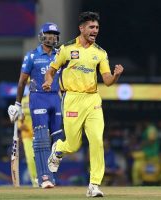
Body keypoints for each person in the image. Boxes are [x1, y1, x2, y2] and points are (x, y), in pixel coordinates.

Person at [42, 11, 124, 197]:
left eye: (97, 27)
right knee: (73, 145)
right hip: (72, 98)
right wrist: (48, 81)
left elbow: (107, 80)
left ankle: (94, 185)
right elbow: (52, 71)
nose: (95, 30)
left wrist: (116, 75)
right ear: (81, 28)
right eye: (91, 27)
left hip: (93, 99)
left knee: (96, 140)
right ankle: (58, 149)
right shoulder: (67, 49)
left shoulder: (100, 53)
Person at [8, 22, 64, 189]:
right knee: (41, 138)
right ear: (42, 36)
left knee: (59, 140)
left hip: (55, 97)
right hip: (38, 97)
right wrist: (17, 104)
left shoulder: (60, 55)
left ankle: (51, 173)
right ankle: (44, 177)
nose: (52, 37)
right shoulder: (32, 56)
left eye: (54, 34)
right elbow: (21, 81)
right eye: (49, 34)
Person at [18, 90, 38, 187]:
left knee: (42, 159)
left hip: (39, 134)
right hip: (27, 135)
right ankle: (35, 182)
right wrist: (20, 125)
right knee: (30, 159)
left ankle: (46, 179)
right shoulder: (23, 101)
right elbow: (19, 118)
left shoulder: (40, 99)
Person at [131, 121, 159, 186]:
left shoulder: (151, 128)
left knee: (135, 158)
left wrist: (140, 145)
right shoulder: (147, 129)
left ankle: (136, 183)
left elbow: (151, 140)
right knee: (136, 163)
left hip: (151, 154)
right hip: (146, 154)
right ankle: (137, 183)